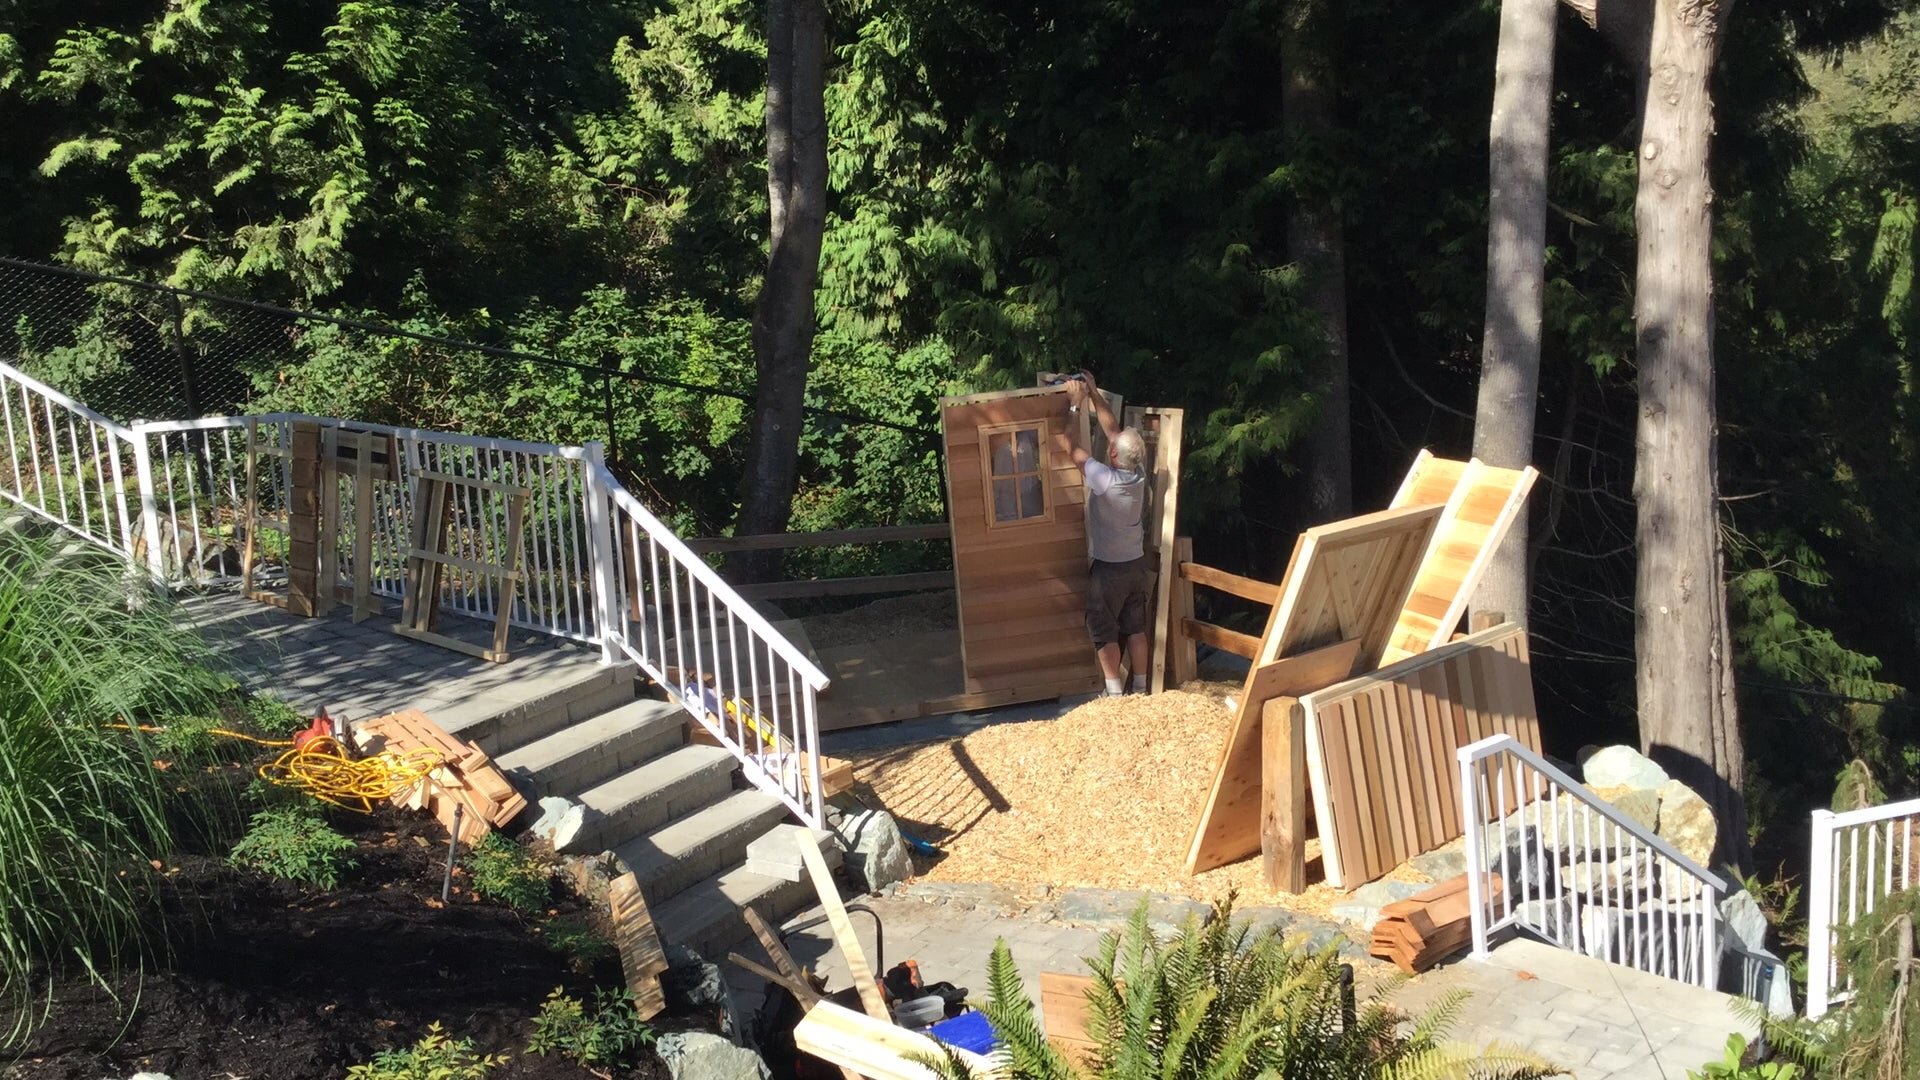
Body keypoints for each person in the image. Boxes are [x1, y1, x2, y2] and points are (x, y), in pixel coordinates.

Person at [1062, 371, 1153, 695]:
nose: (1111, 441)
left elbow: (1070, 446)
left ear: (1113, 455)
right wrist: (1094, 393)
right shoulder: (1137, 473)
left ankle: (1114, 694)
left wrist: (1075, 405)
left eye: (1113, 445)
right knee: (1136, 627)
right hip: (1135, 564)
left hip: (1109, 569)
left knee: (1104, 630)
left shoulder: (1105, 479)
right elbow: (1113, 430)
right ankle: (1140, 690)